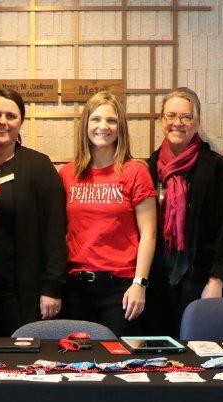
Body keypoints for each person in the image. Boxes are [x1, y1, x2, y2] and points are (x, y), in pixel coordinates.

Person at [59, 91, 156, 337]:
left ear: (120, 128)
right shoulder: (68, 173)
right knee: (76, 368)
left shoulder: (136, 171)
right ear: (85, 125)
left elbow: (149, 233)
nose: (104, 126)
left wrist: (139, 284)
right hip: (76, 287)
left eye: (112, 121)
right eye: (96, 119)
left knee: (120, 366)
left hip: (121, 290)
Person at [143, 87, 223, 337]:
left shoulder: (215, 167)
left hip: (198, 280)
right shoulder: (149, 167)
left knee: (196, 352)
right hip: (155, 281)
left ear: (197, 122)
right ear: (162, 120)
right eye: (171, 116)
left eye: (186, 117)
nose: (178, 123)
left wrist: (216, 281)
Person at [0, 87, 67, 335]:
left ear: (21, 122)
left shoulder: (38, 166)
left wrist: (52, 287)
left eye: (11, 116)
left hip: (23, 290)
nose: (2, 122)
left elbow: (55, 230)